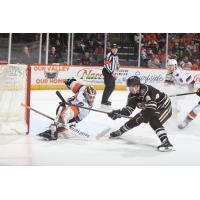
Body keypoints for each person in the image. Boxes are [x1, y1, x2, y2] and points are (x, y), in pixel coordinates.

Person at [107, 76, 173, 151]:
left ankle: (166, 142)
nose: (131, 89)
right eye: (129, 87)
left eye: (133, 87)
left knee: (152, 119)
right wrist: (118, 113)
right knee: (137, 119)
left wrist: (142, 118)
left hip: (164, 107)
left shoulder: (147, 90)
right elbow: (128, 111)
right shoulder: (132, 96)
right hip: (151, 108)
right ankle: (120, 131)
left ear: (138, 86)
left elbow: (151, 109)